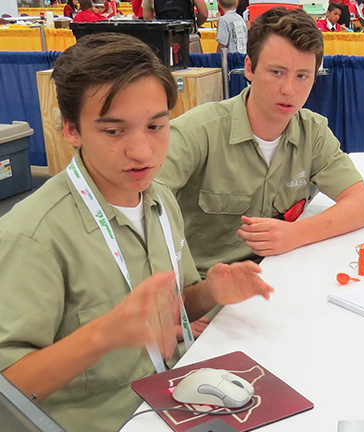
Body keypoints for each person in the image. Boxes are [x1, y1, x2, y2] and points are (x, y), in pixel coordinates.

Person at [0, 33, 274, 432]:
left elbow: (166, 311)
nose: (143, 151)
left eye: (156, 125)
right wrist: (104, 333)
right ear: (72, 130)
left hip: (177, 395)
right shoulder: (33, 236)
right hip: (110, 421)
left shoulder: (159, 198)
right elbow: (8, 390)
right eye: (114, 131)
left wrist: (208, 294)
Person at [158, 8, 364, 276]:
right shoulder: (198, 132)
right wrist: (185, 298)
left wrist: (296, 233)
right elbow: (137, 211)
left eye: (302, 76)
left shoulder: (313, 133)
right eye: (277, 72)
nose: (289, 89)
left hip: (277, 280)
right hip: (205, 293)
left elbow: (363, 205)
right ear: (249, 68)